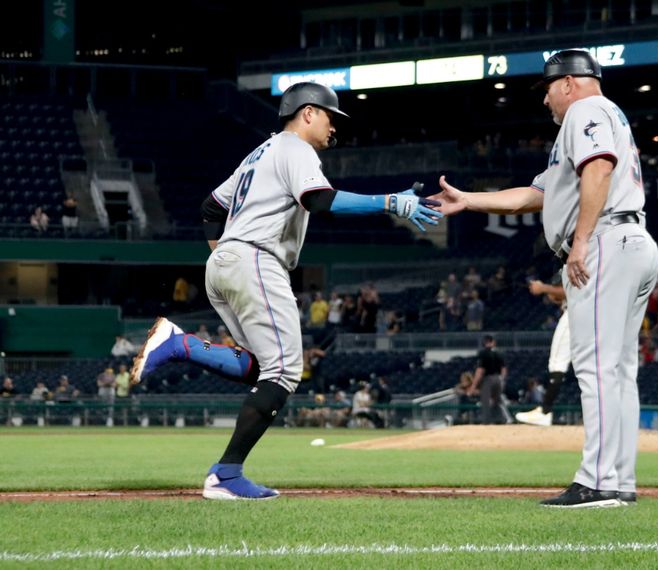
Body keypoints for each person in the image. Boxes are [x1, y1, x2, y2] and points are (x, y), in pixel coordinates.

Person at [130, 82, 441, 500]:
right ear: (308, 112)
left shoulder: (259, 153)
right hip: (256, 259)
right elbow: (318, 199)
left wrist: (224, 254)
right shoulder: (296, 148)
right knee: (285, 372)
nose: (335, 127)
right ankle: (225, 474)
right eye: (331, 117)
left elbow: (209, 209)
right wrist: (389, 202)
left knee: (262, 369)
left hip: (224, 264)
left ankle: (179, 345)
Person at [432, 50, 658, 508]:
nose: (546, 100)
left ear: (570, 83)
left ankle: (596, 481)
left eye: (550, 88)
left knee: (595, 368)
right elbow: (534, 195)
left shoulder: (585, 110)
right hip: (632, 240)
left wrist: (581, 241)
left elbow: (598, 168)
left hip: (606, 242)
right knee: (618, 372)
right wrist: (468, 201)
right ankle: (618, 481)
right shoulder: (603, 116)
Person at [516, 278, 572, 427]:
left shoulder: (581, 260)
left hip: (577, 312)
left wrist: (544, 288)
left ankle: (545, 412)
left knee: (557, 363)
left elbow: (573, 292)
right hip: (598, 315)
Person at [470, 335, 510, 425]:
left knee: (486, 401)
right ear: (493, 342)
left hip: (488, 379)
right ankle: (505, 419)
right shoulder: (499, 353)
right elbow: (504, 369)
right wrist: (502, 380)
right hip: (498, 379)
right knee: (498, 401)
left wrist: (473, 386)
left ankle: (486, 422)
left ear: (484, 343)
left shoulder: (483, 353)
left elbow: (480, 370)